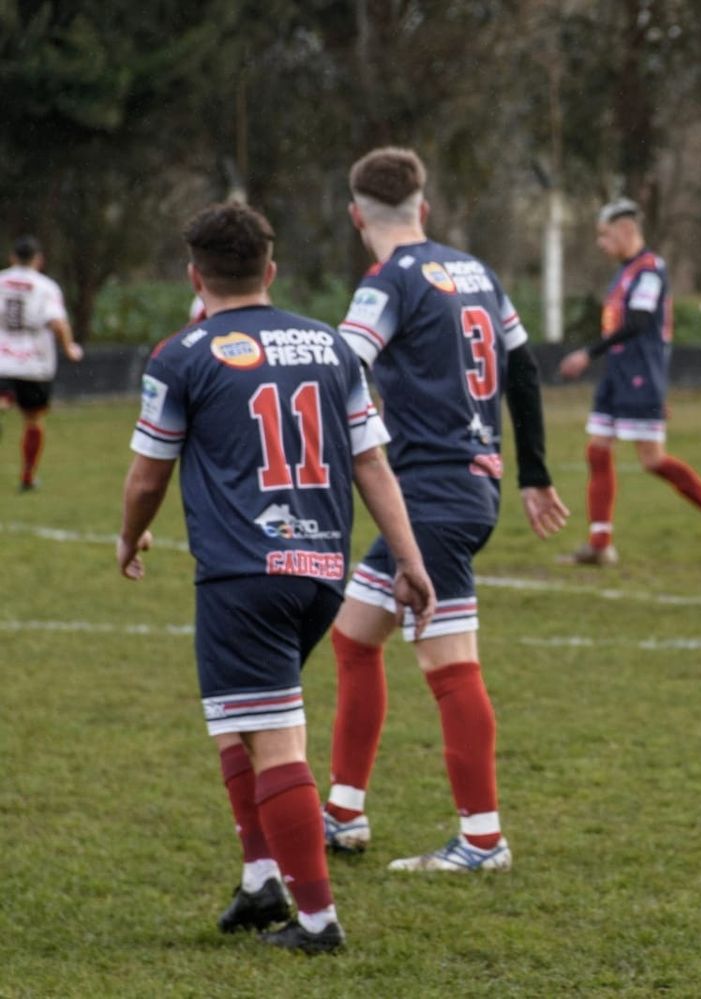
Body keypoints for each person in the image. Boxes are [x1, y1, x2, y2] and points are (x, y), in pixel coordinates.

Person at [117, 201, 435, 954]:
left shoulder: (181, 354)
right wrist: (410, 558)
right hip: (320, 571)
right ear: (272, 269)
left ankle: (318, 920)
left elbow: (144, 476)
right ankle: (260, 876)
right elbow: (370, 462)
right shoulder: (332, 347)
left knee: (275, 736)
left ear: (195, 276)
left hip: (242, 571)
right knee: (240, 719)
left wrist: (130, 537)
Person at [322, 146, 569, 872]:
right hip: (466, 482)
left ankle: (483, 839)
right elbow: (522, 365)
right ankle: (343, 811)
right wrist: (533, 472)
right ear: (422, 208)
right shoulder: (475, 271)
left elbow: (344, 362)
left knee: (450, 665)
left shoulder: (387, 279)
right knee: (354, 635)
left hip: (429, 494)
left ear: (354, 214)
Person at [557, 198, 701, 564]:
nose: (600, 243)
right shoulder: (625, 272)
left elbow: (639, 323)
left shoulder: (650, 271)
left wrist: (587, 353)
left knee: (652, 460)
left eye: (605, 235)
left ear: (626, 231)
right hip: (617, 374)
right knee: (597, 449)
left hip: (641, 375)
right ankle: (600, 543)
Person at [0, 235, 84, 491]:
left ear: (13, 257)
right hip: (34, 364)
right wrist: (69, 348)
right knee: (34, 418)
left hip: (2, 360)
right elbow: (57, 322)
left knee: (4, 398)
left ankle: (4, 400)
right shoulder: (45, 287)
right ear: (38, 260)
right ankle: (27, 476)